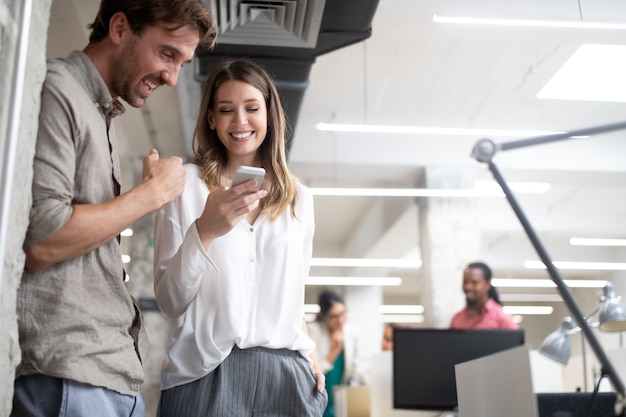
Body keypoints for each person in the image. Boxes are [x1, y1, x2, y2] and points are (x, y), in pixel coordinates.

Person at [13, 2, 217, 416]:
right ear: (120, 28)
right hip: (70, 372)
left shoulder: (100, 112)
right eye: (166, 54)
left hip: (108, 374)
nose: (173, 77)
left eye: (182, 62)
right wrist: (151, 195)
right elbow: (42, 240)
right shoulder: (60, 89)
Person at [152, 57, 327, 417]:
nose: (241, 121)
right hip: (206, 374)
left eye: (252, 108)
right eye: (226, 110)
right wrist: (205, 231)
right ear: (211, 120)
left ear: (269, 115)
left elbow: (292, 294)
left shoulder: (300, 199)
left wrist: (309, 353)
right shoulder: (186, 186)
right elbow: (170, 301)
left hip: (286, 376)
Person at [307, 290, 362, 417]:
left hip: (341, 396)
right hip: (319, 391)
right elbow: (313, 369)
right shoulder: (313, 331)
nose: (340, 320)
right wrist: (333, 352)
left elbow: (354, 368)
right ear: (323, 316)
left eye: (343, 313)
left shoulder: (351, 333)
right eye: (334, 316)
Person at [450, 261, 519, 330]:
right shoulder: (457, 319)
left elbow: (515, 339)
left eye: (474, 282)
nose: (468, 287)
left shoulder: (502, 318)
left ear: (487, 285)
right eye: (465, 282)